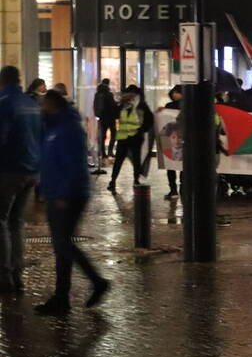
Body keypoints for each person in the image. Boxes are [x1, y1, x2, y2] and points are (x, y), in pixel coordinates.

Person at [34, 90, 109, 316]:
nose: (40, 108)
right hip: (56, 193)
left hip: (68, 195)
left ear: (53, 105)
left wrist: (64, 195)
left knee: (64, 244)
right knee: (62, 247)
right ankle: (62, 297)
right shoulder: (53, 127)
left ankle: (95, 282)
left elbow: (74, 165)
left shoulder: (68, 129)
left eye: (43, 104)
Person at [0, 66, 42, 293]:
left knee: (1, 221)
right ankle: (18, 273)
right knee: (16, 222)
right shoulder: (32, 104)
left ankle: (5, 276)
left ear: (2, 81)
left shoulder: (4, 102)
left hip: (8, 170)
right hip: (31, 171)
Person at [108, 85, 153, 192]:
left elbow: (149, 120)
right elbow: (114, 115)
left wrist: (141, 130)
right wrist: (119, 103)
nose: (128, 95)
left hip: (136, 138)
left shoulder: (141, 106)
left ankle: (136, 180)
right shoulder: (123, 105)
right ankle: (113, 181)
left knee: (136, 160)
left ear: (135, 94)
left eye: (130, 93)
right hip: (123, 137)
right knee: (118, 160)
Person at [164, 85, 183, 199]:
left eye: (176, 92)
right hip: (183, 138)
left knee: (170, 165)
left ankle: (173, 189)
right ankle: (182, 188)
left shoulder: (169, 106)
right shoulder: (190, 105)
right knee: (183, 165)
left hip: (171, 137)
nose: (174, 94)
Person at [93, 78, 118, 159]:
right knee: (113, 134)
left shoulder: (97, 94)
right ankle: (110, 151)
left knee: (102, 136)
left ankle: (103, 153)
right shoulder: (109, 94)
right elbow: (112, 106)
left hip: (101, 118)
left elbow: (95, 105)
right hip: (110, 118)